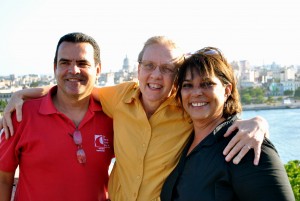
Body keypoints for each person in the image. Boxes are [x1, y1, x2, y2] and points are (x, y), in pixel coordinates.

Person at [0, 36, 269, 201]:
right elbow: (76, 86)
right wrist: (23, 94)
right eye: (149, 66)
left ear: (177, 77)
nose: (156, 75)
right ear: (138, 69)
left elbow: (214, 108)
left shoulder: (186, 108)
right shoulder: (118, 97)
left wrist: (258, 122)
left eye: (167, 68)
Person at [160, 47, 294, 201]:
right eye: (187, 85)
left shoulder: (246, 146)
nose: (196, 92)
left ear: (227, 90)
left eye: (206, 84)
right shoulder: (182, 140)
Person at [0, 32, 114, 201]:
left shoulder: (112, 116)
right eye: (65, 62)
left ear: (98, 70)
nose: (73, 70)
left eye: (82, 63)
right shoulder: (21, 115)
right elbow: (3, 178)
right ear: (55, 68)